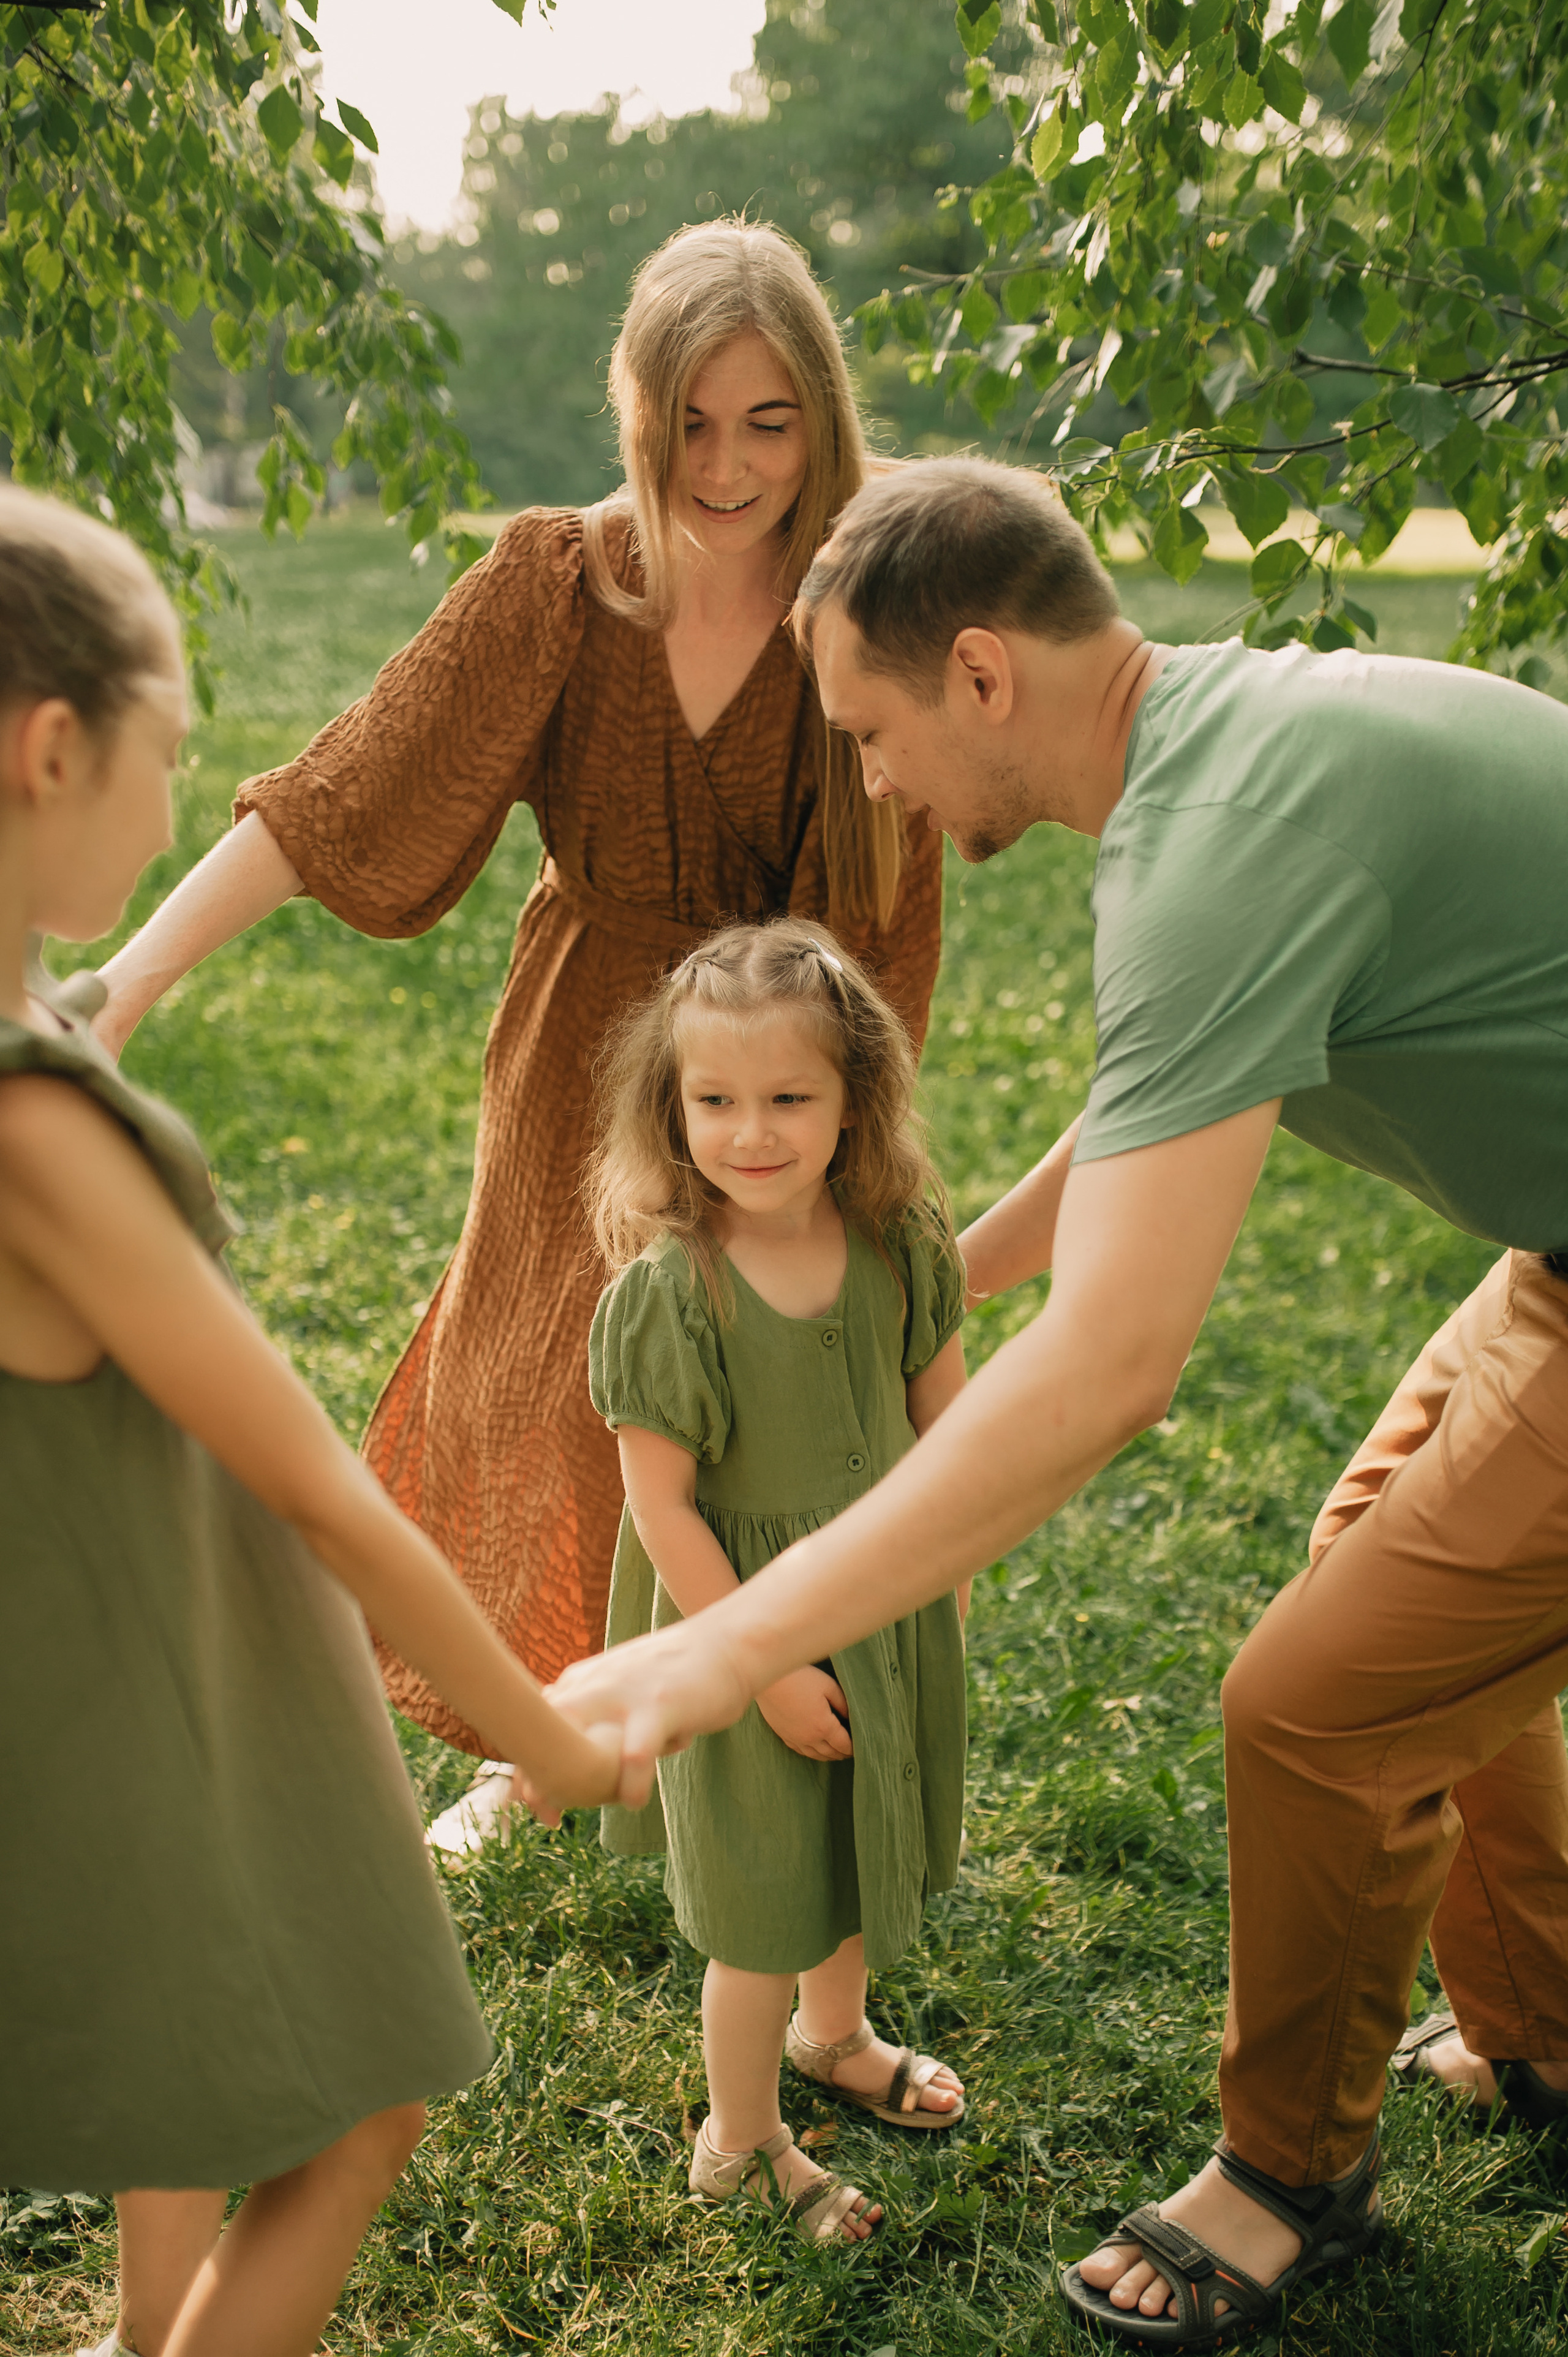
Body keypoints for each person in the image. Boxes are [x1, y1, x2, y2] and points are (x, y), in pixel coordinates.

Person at [551, 454, 1568, 2345]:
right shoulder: (1233, 750)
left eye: (873, 732)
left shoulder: (1215, 849)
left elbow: (1110, 1373)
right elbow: (1157, 1099)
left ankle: (1288, 2180)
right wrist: (937, 1263)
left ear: (983, 673)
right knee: (1381, 1571)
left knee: (1314, 1709)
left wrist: (728, 1643)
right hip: (1554, 1260)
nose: (874, 785)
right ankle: (1542, 2035)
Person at [88, 222, 943, 1828]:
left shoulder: (867, 592)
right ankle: (533, 1741)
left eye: (768, 423)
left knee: (754, 1380)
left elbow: (896, 909)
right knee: (554, 1382)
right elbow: (346, 791)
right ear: (638, 410)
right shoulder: (562, 581)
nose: (727, 466)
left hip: (785, 1062)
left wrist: (853, 1136)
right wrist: (133, 978)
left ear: (820, 417)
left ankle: (742, 1712)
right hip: (582, 1048)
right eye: (691, 421)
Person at [0, 482, 616, 2357]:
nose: (177, 797)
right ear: (51, 751)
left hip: (113, 1659)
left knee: (195, 2066)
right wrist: (551, 1740)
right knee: (361, 2111)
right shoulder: (38, 1130)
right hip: (141, 1695)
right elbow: (324, 1497)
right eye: (171, 746)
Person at [584, 916, 969, 2242]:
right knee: (761, 1903)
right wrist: (763, 1666)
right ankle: (738, 2141)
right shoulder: (673, 1293)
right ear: (672, 1107)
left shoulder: (899, 1240)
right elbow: (663, 1509)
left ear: (855, 1098)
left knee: (850, 1849)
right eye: (716, 1101)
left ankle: (836, 2035)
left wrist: (944, 1582)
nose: (751, 1132)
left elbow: (948, 1430)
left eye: (789, 1098)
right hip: (737, 1627)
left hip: (881, 1605)